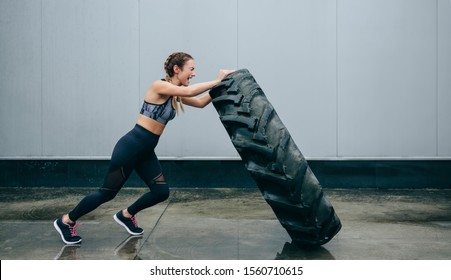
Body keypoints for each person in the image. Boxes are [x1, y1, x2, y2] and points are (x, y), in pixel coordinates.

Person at [54, 52, 235, 245]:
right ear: (177, 69)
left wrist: (222, 85)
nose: (194, 73)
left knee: (161, 192)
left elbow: (199, 102)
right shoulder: (160, 86)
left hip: (145, 152)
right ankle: (66, 221)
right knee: (107, 192)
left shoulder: (174, 94)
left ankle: (126, 215)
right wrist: (217, 80)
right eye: (191, 69)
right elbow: (191, 92)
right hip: (130, 147)